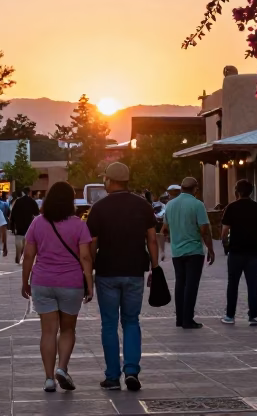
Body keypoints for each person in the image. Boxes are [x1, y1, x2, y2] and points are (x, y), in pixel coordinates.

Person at [87, 162, 159, 392]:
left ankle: (111, 376)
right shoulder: (143, 206)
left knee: (109, 323)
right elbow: (152, 239)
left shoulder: (98, 208)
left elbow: (92, 244)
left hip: (107, 272)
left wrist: (87, 272)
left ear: (109, 180)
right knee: (131, 321)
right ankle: (131, 370)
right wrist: (155, 268)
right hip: (135, 271)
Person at [23, 181, 93, 393]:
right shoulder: (79, 225)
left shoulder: (37, 223)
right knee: (68, 329)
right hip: (71, 283)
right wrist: (89, 283)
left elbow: (28, 255)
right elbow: (85, 256)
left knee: (48, 331)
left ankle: (48, 379)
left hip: (42, 282)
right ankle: (62, 368)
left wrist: (25, 281)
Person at [161, 177, 215, 329]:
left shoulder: (170, 205)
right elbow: (204, 230)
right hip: (194, 251)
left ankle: (179, 318)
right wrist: (210, 250)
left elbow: (164, 229)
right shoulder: (198, 205)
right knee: (191, 285)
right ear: (195, 189)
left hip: (177, 251)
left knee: (180, 283)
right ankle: (188, 319)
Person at [219, 179, 257, 327]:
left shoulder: (231, 208)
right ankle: (253, 316)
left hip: (236, 251)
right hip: (253, 251)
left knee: (232, 284)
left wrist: (226, 245)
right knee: (252, 283)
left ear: (237, 192)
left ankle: (230, 315)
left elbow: (224, 232)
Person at [10, 187, 40, 265]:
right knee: (26, 242)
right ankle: (23, 255)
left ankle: (18, 254)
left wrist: (12, 225)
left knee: (19, 241)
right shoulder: (32, 202)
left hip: (19, 226)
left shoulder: (18, 201)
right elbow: (37, 213)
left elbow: (13, 214)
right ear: (29, 192)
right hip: (28, 225)